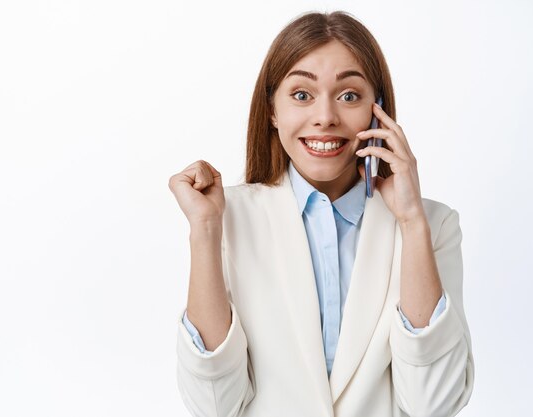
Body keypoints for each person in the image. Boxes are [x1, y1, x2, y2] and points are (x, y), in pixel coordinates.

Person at [168, 10, 474, 417]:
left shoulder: (432, 225)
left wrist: (412, 222)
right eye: (301, 95)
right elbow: (213, 406)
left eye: (349, 96)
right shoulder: (224, 217)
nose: (326, 116)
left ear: (377, 110)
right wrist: (206, 231)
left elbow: (433, 403)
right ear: (272, 111)